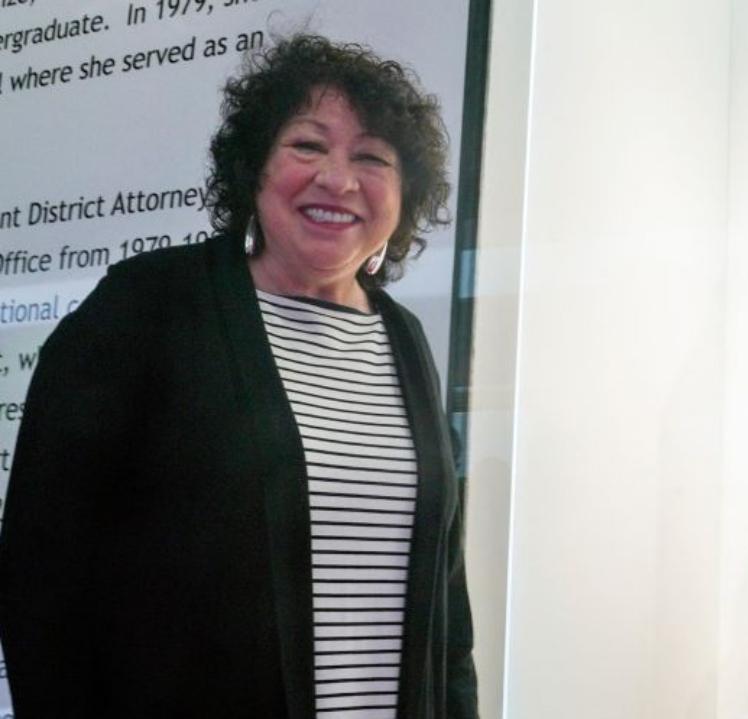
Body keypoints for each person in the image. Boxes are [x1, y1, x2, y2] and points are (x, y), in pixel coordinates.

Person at [0, 35, 478, 718]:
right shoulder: (147, 307)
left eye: (371, 157)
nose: (339, 180)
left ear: (404, 196)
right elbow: (41, 576)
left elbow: (447, 615)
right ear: (253, 168)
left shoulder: (403, 340)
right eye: (308, 146)